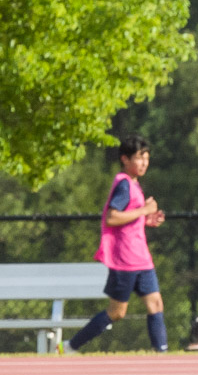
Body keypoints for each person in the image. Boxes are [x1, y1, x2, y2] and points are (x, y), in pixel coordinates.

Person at [62, 135, 168, 354]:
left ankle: (162, 354)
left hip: (142, 258)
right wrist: (144, 211)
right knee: (117, 312)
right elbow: (112, 217)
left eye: (146, 158)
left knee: (155, 304)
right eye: (139, 158)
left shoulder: (134, 184)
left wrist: (147, 220)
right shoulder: (123, 184)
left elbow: (129, 219)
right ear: (125, 159)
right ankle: (70, 347)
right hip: (125, 259)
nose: (144, 162)